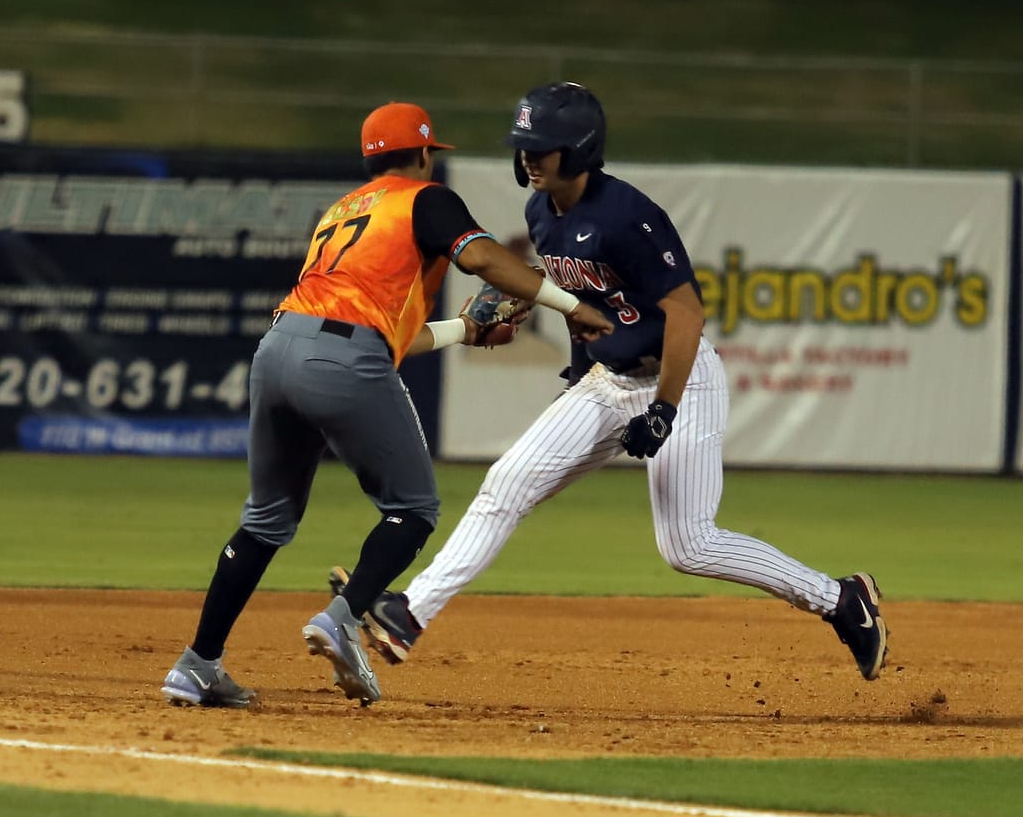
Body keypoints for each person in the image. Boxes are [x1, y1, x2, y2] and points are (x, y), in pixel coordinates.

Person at [342, 82, 889, 684]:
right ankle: (410, 613)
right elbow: (584, 301)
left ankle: (840, 600)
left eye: (541, 147)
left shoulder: (628, 215)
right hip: (604, 383)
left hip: (678, 378)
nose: (527, 157)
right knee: (507, 483)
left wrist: (664, 409)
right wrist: (579, 372)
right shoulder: (539, 213)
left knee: (687, 545)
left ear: (578, 150)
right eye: (523, 145)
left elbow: (685, 313)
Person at [161, 101, 613, 708]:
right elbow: (479, 259)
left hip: (277, 349)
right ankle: (342, 618)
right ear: (425, 154)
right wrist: (570, 304)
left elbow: (381, 330)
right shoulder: (424, 199)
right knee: (414, 509)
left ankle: (196, 665)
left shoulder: (343, 210)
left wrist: (463, 329)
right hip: (343, 358)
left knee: (265, 521)